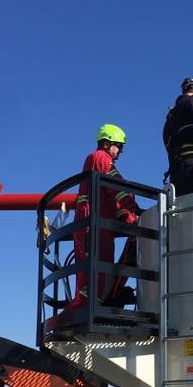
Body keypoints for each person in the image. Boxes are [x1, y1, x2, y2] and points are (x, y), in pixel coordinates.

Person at [71, 124, 138, 309]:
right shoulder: (100, 157)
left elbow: (112, 198)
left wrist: (128, 217)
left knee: (98, 270)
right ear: (107, 144)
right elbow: (117, 189)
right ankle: (88, 308)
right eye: (119, 146)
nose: (121, 151)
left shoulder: (96, 161)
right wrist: (134, 210)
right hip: (93, 225)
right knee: (95, 271)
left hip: (98, 225)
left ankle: (92, 305)